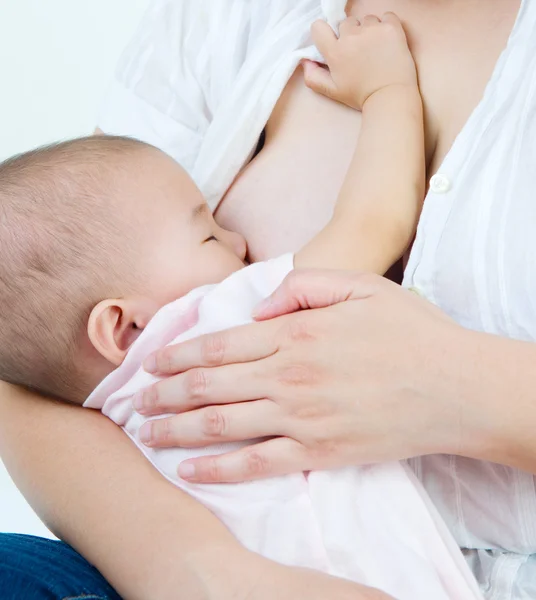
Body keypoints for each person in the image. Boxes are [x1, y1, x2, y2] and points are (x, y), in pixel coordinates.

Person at [0, 0, 531, 598]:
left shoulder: (116, 404)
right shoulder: (227, 319)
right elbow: (376, 220)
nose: (239, 240)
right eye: (208, 233)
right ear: (120, 327)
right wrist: (389, 93)